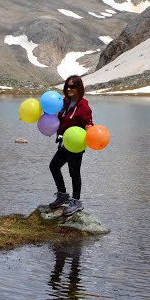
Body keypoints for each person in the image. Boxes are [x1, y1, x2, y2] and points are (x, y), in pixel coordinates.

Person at [48, 75, 93, 216]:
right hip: (63, 143)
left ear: (79, 88)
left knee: (74, 172)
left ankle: (76, 201)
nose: (69, 89)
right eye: (67, 86)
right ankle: (62, 195)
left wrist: (90, 129)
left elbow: (89, 123)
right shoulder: (65, 103)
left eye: (72, 86)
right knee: (54, 166)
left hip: (76, 145)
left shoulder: (84, 106)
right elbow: (60, 119)